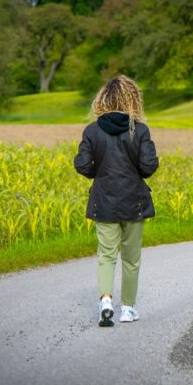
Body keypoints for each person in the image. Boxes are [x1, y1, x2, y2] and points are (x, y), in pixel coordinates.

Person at [73, 75, 159, 327]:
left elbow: (81, 164)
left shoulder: (92, 130)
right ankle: (128, 309)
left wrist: (97, 174)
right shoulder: (139, 130)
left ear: (103, 99)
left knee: (106, 256)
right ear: (133, 98)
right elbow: (148, 166)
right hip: (135, 202)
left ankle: (106, 300)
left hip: (104, 201)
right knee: (131, 259)